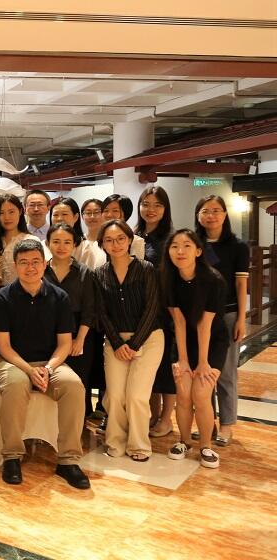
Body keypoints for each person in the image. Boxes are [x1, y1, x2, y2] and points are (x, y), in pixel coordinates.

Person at [0, 238, 90, 489]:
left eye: (35, 262)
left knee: (74, 386)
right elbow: (3, 347)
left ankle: (68, 460)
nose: (30, 267)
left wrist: (47, 369)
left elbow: (65, 343)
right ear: (15, 266)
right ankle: (12, 456)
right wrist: (29, 369)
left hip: (49, 362)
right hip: (11, 361)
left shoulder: (59, 297)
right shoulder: (3, 298)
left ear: (45, 265)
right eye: (23, 262)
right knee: (15, 385)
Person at [93, 220, 163, 462]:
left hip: (149, 338)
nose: (115, 244)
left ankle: (139, 444)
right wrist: (117, 343)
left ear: (130, 240)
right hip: (115, 342)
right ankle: (115, 441)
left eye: (120, 238)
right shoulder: (99, 274)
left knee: (136, 396)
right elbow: (102, 313)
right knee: (114, 396)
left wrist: (133, 345)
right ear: (102, 244)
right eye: (109, 240)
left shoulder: (146, 269)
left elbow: (152, 308)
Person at [162, 229, 228, 469]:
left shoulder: (213, 280)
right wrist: (183, 360)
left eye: (187, 245)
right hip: (182, 341)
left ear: (199, 251)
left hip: (212, 342)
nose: (180, 251)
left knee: (201, 394)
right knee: (183, 393)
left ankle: (206, 446)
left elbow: (204, 324)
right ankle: (184, 441)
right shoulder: (168, 278)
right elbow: (178, 322)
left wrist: (202, 362)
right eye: (174, 246)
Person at [195, 195, 248, 446]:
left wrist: (241, 318)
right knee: (203, 372)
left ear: (225, 215)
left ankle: (227, 424)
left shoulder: (237, 246)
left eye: (216, 211)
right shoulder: (194, 244)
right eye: (205, 211)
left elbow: (241, 283)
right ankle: (208, 422)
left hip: (226, 315)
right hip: (199, 316)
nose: (211, 215)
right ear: (198, 216)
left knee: (225, 372)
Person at [44, 224, 99, 417]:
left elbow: (89, 310)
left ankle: (77, 429)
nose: (61, 246)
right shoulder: (40, 271)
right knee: (50, 381)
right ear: (47, 243)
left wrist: (80, 339)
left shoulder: (85, 273)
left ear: (75, 244)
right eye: (56, 241)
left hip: (78, 332)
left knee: (78, 382)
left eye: (67, 242)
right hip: (47, 333)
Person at [135, 186, 176, 439]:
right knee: (147, 366)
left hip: (166, 312)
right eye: (146, 204)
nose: (151, 210)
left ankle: (166, 418)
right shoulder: (134, 236)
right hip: (140, 311)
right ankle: (152, 413)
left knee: (166, 367)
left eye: (157, 205)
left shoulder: (171, 237)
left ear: (165, 209)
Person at [0, 194, 48, 286]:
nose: (7, 217)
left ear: (20, 211)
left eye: (11, 212)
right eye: (2, 213)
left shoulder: (31, 240)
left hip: (23, 292)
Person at [102, 194, 145, 258]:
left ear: (126, 214)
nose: (109, 215)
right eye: (106, 210)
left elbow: (137, 267)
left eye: (115, 211)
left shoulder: (136, 242)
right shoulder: (99, 240)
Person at [78, 198, 108, 269]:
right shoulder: (78, 242)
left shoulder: (109, 241)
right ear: (82, 216)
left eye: (96, 212)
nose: (92, 216)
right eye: (88, 213)